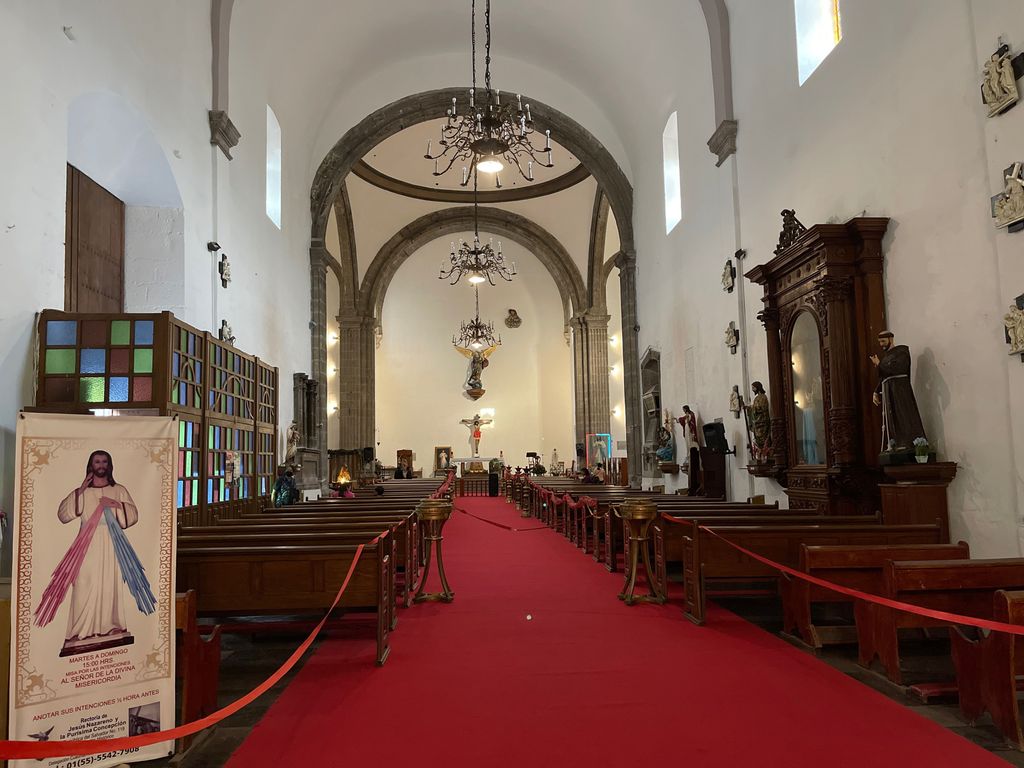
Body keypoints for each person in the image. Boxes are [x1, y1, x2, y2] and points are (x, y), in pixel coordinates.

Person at [36, 450, 156, 656]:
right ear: (90, 466)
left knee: (109, 586)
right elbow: (63, 516)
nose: (101, 465)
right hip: (87, 545)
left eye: (104, 461)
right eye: (97, 461)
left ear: (109, 465)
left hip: (112, 543)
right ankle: (79, 633)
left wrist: (115, 504)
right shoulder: (82, 492)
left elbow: (132, 515)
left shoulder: (119, 490)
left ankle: (111, 628)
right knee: (83, 585)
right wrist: (80, 491)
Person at [871, 331, 927, 453]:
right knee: (893, 418)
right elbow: (884, 376)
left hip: (901, 390)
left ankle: (912, 444)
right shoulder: (885, 357)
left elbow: (897, 368)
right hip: (889, 391)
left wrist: (879, 364)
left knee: (904, 415)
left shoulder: (902, 352)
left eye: (883, 341)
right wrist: (876, 391)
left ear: (891, 339)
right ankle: (899, 443)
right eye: (880, 342)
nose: (881, 344)